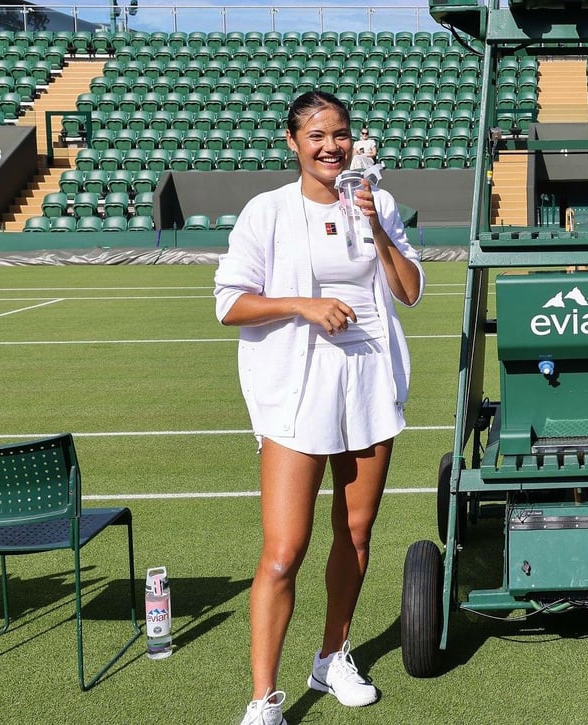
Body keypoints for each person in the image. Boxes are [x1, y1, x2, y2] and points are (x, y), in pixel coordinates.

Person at [213, 90, 424, 725]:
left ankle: (333, 656)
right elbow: (230, 304)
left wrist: (377, 225)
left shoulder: (380, 202)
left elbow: (409, 290)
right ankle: (263, 699)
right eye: (316, 136)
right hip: (296, 388)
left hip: (369, 381)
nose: (331, 147)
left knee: (355, 534)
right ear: (293, 143)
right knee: (284, 551)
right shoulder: (268, 211)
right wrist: (302, 305)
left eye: (340, 134)